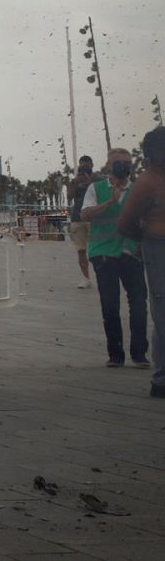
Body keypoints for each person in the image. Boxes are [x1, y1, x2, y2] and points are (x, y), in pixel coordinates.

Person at [83, 148, 148, 369]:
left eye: (126, 162)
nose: (122, 166)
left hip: (132, 253)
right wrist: (110, 202)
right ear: (108, 166)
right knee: (110, 305)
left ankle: (140, 353)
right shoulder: (96, 188)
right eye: (117, 162)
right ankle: (115, 354)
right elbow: (85, 214)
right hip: (103, 253)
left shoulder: (138, 189)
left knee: (139, 303)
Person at [119, 128, 165, 397]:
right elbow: (125, 223)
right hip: (158, 246)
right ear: (152, 153)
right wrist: (147, 238)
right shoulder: (147, 183)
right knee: (162, 313)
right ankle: (160, 379)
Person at [69, 155, 96, 288]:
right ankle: (86, 278)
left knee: (97, 249)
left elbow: (100, 193)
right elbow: (69, 197)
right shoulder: (75, 180)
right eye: (82, 164)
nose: (84, 166)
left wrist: (89, 181)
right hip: (77, 218)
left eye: (86, 164)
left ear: (92, 165)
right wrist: (75, 182)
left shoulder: (98, 179)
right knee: (81, 250)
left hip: (94, 218)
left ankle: (102, 275)